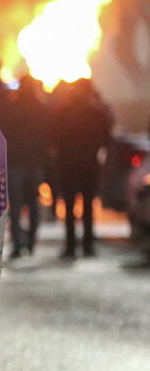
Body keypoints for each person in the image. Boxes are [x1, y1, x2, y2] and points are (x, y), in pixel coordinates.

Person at [50, 78, 113, 258]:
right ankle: (88, 246)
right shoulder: (97, 112)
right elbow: (107, 139)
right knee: (88, 207)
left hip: (68, 165)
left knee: (69, 207)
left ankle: (70, 247)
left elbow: (53, 136)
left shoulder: (64, 111)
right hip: (89, 165)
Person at [4, 75, 50, 258]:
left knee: (15, 207)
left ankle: (17, 244)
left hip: (16, 163)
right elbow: (48, 137)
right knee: (33, 205)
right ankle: (30, 243)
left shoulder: (11, 109)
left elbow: (5, 134)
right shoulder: (41, 109)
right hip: (34, 164)